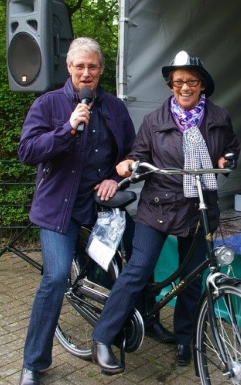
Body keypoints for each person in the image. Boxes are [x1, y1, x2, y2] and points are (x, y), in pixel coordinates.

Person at [16, 37, 171, 385]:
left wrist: (116, 180)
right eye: (80, 66)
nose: (86, 73)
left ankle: (147, 319)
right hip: (59, 209)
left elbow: (131, 153)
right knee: (56, 277)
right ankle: (34, 363)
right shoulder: (48, 104)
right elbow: (27, 152)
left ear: (101, 69)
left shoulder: (114, 107)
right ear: (69, 68)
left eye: (93, 66)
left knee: (141, 258)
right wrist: (67, 128)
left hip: (102, 205)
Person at [90, 50, 240, 375]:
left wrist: (227, 159)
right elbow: (139, 154)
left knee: (192, 279)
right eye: (178, 82)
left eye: (192, 81)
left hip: (200, 208)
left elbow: (231, 147)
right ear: (171, 85)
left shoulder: (219, 117)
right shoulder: (154, 121)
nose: (185, 87)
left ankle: (186, 339)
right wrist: (129, 164)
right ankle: (103, 337)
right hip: (158, 206)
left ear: (202, 85)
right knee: (138, 269)